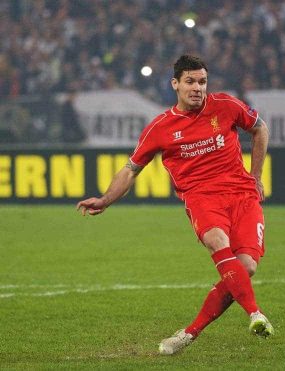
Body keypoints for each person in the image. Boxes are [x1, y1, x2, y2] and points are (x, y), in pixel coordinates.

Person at [76, 55, 273, 355]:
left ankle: (188, 334)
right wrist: (105, 199)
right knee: (216, 240)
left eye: (202, 82)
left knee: (246, 267)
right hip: (202, 198)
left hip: (243, 196)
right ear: (175, 84)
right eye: (190, 82)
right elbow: (131, 169)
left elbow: (260, 129)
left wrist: (256, 176)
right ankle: (255, 314)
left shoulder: (226, 106)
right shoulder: (161, 128)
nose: (197, 88)